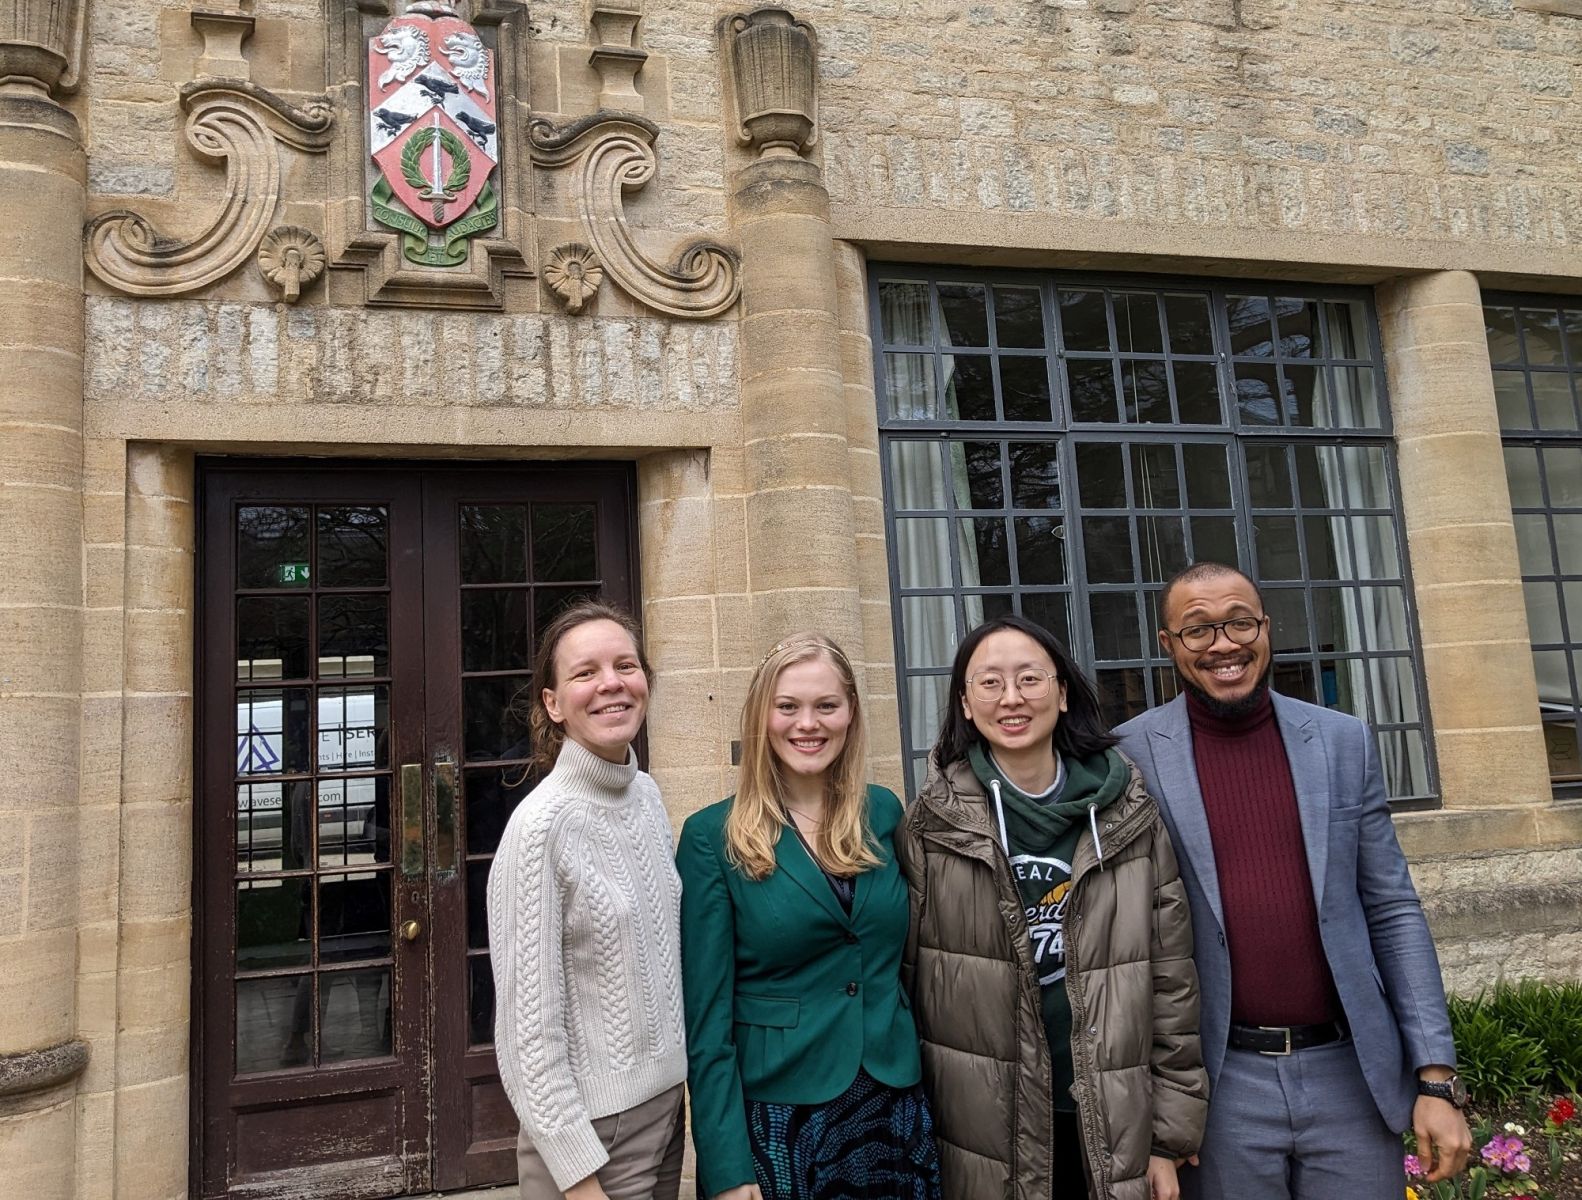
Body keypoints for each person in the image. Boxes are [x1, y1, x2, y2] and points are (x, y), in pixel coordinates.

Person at [1114, 562, 1472, 1200]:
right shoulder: (1128, 756)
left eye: (1239, 622)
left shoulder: (1342, 741)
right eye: (1197, 631)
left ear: (1266, 629)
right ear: (1167, 646)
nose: (1223, 644)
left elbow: (1391, 909)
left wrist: (1435, 1079)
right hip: (1217, 1087)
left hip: (1350, 1077)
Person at [896, 613, 1207, 1200]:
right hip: (984, 1134)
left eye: (1030, 680)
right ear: (964, 703)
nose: (1011, 698)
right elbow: (909, 986)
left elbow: (1172, 982)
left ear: (1062, 693)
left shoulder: (1129, 814)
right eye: (989, 683)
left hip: (1111, 1122)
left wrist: (1167, 1137)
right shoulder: (931, 826)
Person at [678, 634, 941, 1200]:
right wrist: (726, 1167)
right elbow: (707, 1025)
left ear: (849, 712)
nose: (808, 723)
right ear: (762, 717)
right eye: (788, 706)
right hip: (779, 1117)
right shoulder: (711, 838)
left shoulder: (884, 810)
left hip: (893, 1101)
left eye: (826, 705)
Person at [487, 599, 687, 1200]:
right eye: (584, 673)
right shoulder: (540, 828)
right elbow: (527, 1035)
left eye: (625, 665)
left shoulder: (646, 796)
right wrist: (578, 1176)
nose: (610, 685)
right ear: (553, 704)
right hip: (591, 1139)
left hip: (666, 1112)